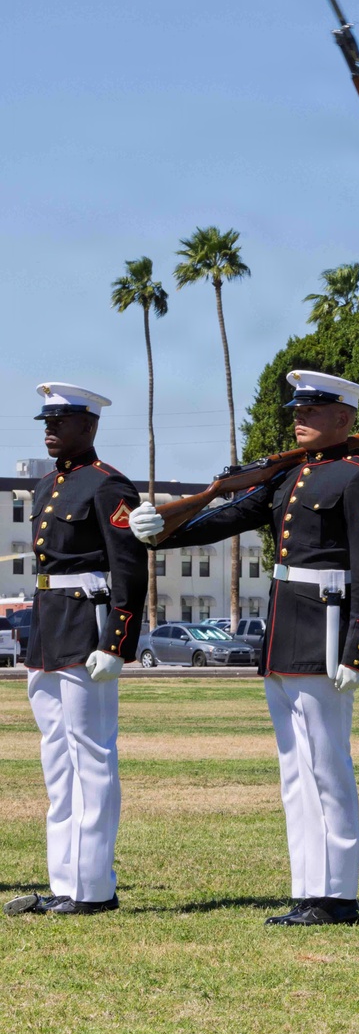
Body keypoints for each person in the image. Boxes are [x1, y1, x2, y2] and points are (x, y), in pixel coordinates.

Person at [127, 369, 359, 927]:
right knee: (295, 767)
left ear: (343, 418)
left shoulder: (358, 479)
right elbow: (226, 517)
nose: (298, 417)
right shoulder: (288, 476)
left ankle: (338, 894)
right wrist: (162, 530)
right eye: (297, 408)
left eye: (313, 410)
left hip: (325, 627)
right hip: (285, 627)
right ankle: (307, 890)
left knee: (327, 764)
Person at [4, 385, 149, 917]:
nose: (49, 427)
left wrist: (117, 641)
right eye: (46, 419)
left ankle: (94, 888)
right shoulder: (47, 486)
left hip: (87, 624)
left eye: (60, 419)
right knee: (56, 761)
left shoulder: (108, 485)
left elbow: (130, 568)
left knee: (91, 757)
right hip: (47, 626)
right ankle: (65, 882)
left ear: (87, 427)